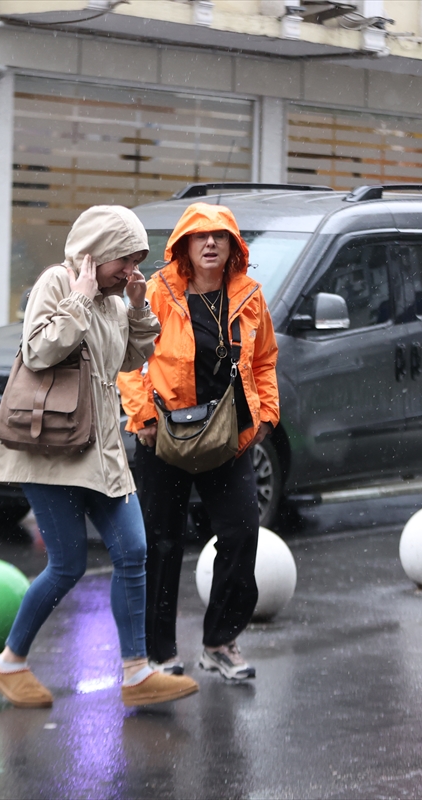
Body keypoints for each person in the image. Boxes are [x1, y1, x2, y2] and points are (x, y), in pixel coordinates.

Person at [0, 205, 199, 709]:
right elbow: (39, 352)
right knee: (67, 566)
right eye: (124, 260)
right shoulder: (59, 283)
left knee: (133, 550)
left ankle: (137, 672)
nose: (131, 271)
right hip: (55, 449)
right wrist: (79, 299)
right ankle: (9, 662)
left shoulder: (115, 300)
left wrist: (138, 309)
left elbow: (129, 359)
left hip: (102, 450)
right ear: (96, 253)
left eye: (137, 261)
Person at [118, 202, 280, 681]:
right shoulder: (157, 291)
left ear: (233, 246)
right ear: (183, 245)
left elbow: (265, 359)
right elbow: (129, 358)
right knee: (162, 543)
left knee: (241, 534)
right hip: (163, 437)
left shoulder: (250, 296)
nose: (210, 243)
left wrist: (267, 415)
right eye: (200, 236)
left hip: (228, 438)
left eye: (220, 236)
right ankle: (158, 652)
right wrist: (143, 417)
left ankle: (219, 642)